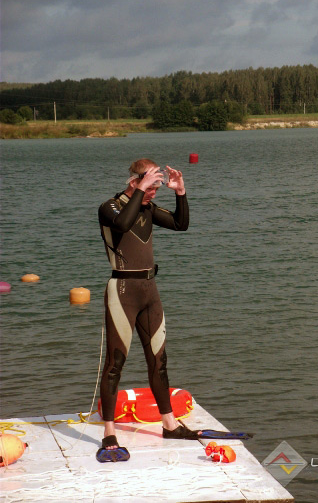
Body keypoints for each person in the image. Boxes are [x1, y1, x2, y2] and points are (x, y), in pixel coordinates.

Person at [96, 158, 200, 462]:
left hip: (150, 292)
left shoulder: (146, 207)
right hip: (123, 291)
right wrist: (141, 190)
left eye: (156, 188)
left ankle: (169, 425)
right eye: (150, 186)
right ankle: (109, 431)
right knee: (116, 363)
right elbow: (122, 224)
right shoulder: (110, 207)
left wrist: (181, 192)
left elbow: (181, 225)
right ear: (134, 181)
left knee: (159, 359)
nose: (154, 193)